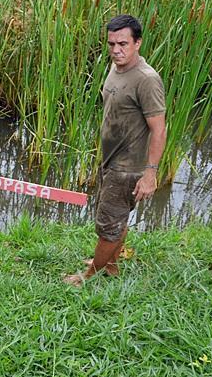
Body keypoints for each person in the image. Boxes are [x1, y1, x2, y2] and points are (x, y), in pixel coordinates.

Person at [65, 15, 166, 287]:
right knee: (116, 216)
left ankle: (88, 277)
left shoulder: (146, 80)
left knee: (108, 225)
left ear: (138, 43)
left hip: (127, 167)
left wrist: (150, 174)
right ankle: (109, 264)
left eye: (123, 43)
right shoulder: (116, 67)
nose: (116, 50)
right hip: (111, 159)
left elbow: (159, 129)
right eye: (111, 44)